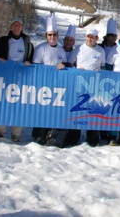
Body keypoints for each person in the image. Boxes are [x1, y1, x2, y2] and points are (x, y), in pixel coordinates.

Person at [0, 17, 34, 142]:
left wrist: (28, 62)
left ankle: (16, 133)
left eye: (19, 25)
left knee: (18, 105)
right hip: (4, 77)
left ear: (22, 27)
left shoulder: (28, 44)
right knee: (1, 103)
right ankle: (0, 131)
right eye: (14, 25)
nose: (16, 27)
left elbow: (31, 60)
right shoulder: (1, 41)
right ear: (10, 27)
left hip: (21, 79)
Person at [32, 16, 69, 146]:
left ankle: (50, 136)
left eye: (54, 34)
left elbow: (64, 63)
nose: (52, 37)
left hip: (57, 85)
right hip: (43, 84)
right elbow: (35, 66)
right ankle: (38, 135)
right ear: (46, 35)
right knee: (41, 111)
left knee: (52, 111)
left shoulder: (60, 49)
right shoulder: (40, 48)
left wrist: (64, 66)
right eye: (49, 35)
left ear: (57, 35)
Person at [72, 27, 106, 147]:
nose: (90, 39)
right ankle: (73, 137)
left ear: (97, 38)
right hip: (78, 83)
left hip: (94, 84)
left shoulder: (100, 51)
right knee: (77, 110)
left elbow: (103, 66)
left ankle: (93, 138)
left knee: (92, 110)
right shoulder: (78, 48)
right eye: (88, 36)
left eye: (93, 37)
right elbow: (71, 63)